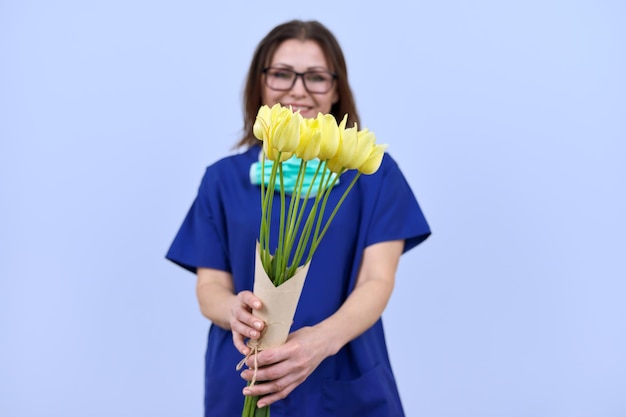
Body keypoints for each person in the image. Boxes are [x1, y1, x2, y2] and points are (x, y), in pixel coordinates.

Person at [166, 19, 431, 417]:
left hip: (342, 374)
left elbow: (378, 280)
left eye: (316, 77)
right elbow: (210, 288)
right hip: (244, 376)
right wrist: (233, 311)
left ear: (337, 89)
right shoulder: (222, 180)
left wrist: (319, 344)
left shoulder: (371, 174)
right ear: (260, 83)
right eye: (282, 74)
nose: (298, 90)